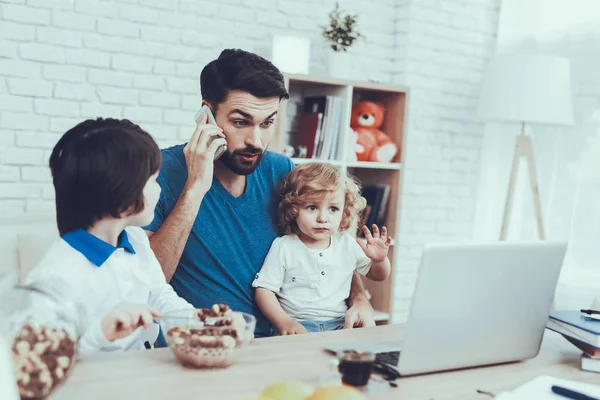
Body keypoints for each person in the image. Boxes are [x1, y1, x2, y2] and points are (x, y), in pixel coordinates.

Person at [144, 48, 376, 339]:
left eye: (267, 123)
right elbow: (146, 282)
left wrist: (359, 298)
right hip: (198, 348)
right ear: (207, 114)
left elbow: (320, 247)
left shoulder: (281, 170)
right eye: (241, 122)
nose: (256, 140)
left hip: (277, 347)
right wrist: (195, 189)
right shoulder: (161, 172)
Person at [25, 118, 193, 357]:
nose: (160, 190)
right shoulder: (56, 275)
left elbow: (159, 295)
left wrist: (204, 321)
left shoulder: (135, 239)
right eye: (153, 181)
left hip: (142, 370)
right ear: (123, 195)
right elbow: (41, 358)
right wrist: (100, 332)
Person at [253, 163, 392, 335]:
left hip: (341, 325)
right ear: (294, 209)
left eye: (333, 209)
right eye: (312, 207)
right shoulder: (284, 246)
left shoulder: (346, 244)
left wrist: (379, 260)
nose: (323, 218)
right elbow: (264, 290)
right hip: (298, 327)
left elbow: (378, 275)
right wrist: (284, 322)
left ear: (344, 212)